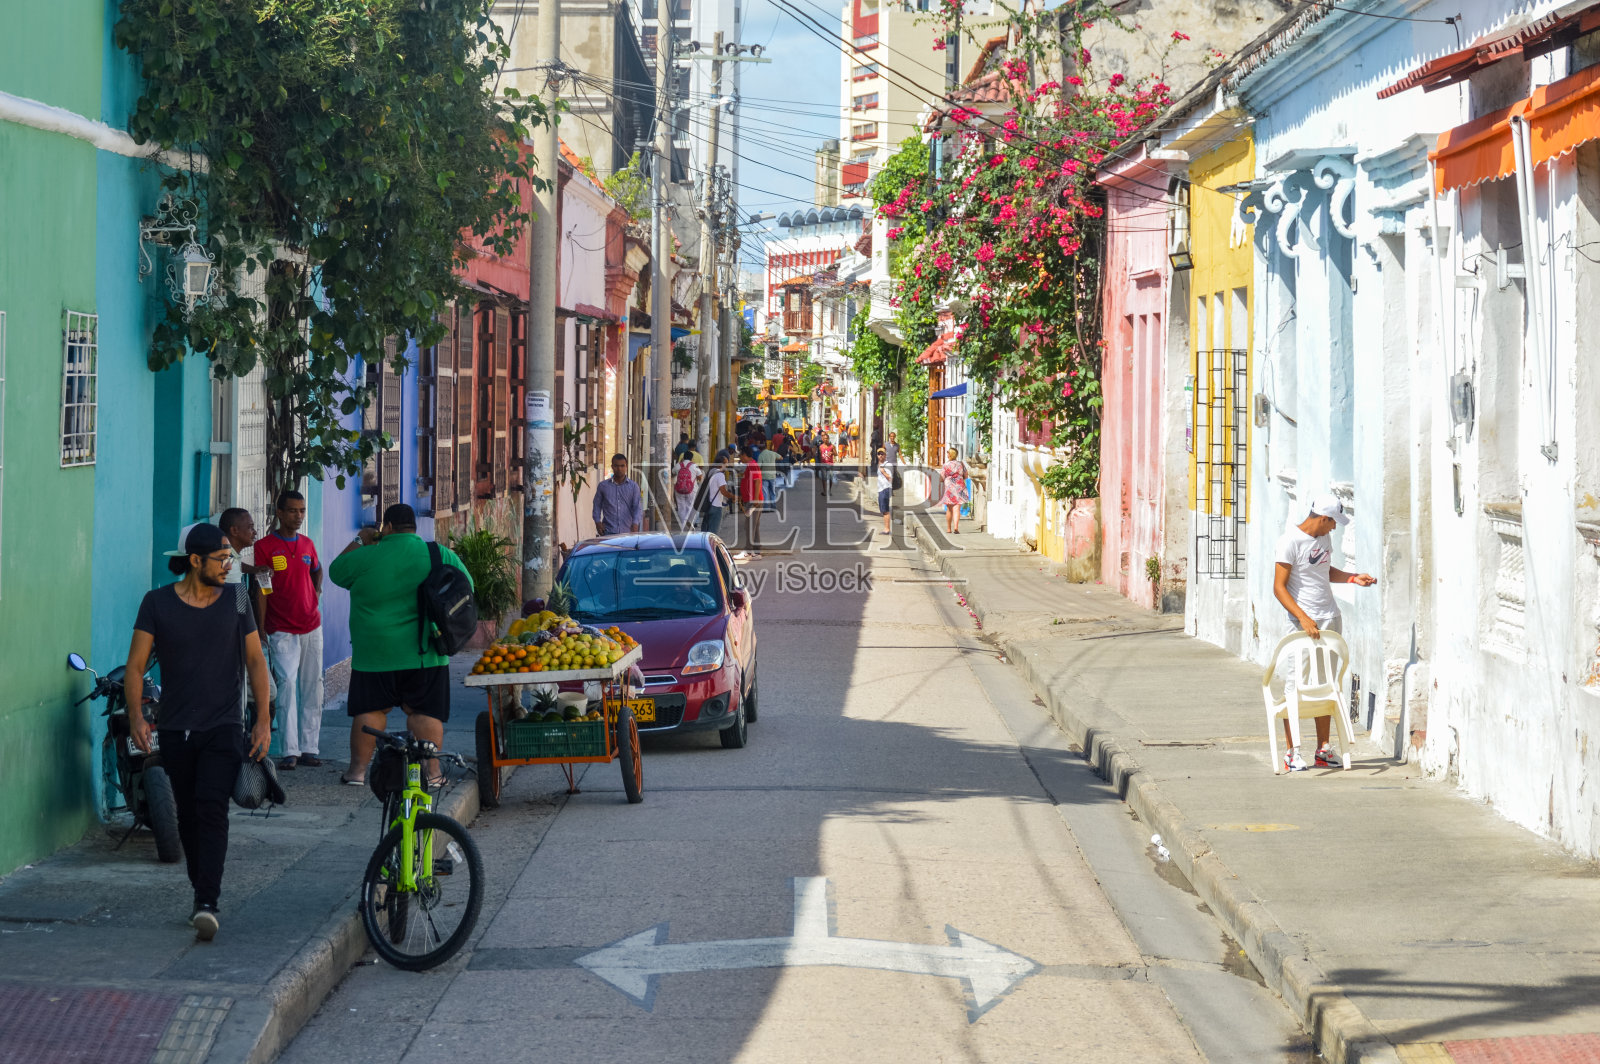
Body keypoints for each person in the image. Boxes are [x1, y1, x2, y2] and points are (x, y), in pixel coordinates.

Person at [125, 523, 273, 941]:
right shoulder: (156, 603)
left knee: (212, 809)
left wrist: (262, 718)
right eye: (222, 559)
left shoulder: (238, 597)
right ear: (195, 561)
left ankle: (208, 901)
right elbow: (135, 666)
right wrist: (136, 717)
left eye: (231, 559)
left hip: (224, 726)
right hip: (175, 729)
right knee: (188, 815)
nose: (229, 566)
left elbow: (255, 661)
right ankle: (200, 888)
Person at [329, 504, 473, 787]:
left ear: (388, 527)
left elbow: (335, 571)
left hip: (374, 653)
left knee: (370, 711)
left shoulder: (366, 556)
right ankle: (432, 775)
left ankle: (357, 773)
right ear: (414, 528)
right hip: (425, 651)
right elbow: (467, 587)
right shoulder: (438, 554)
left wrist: (360, 540)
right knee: (425, 713)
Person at [1273, 495, 1376, 771]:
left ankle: (1323, 749)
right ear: (1322, 518)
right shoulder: (1289, 541)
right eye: (1333, 522)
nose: (1335, 527)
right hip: (1302, 624)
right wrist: (1303, 618)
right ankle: (1292, 752)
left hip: (1330, 618)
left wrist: (1352, 577)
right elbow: (1279, 587)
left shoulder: (1324, 539)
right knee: (1296, 684)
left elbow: (1323, 571)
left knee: (1327, 684)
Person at [256, 491, 324, 771]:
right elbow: (262, 589)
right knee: (286, 685)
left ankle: (310, 747)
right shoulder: (264, 546)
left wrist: (316, 592)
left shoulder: (307, 544)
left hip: (311, 626)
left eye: (302, 511)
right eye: (293, 511)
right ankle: (289, 750)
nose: (299, 516)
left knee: (313, 686)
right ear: (280, 513)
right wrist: (261, 627)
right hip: (281, 628)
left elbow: (317, 569)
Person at [593, 453, 643, 535]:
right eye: (616, 466)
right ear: (612, 466)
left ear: (626, 467)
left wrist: (635, 523)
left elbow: (637, 507)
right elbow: (597, 505)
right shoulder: (603, 486)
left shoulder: (634, 487)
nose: (619, 469)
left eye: (622, 466)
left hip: (628, 532)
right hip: (608, 532)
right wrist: (597, 522)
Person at [940, 446, 969, 535]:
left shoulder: (945, 465)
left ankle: (949, 528)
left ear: (950, 454)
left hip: (949, 487)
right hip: (959, 485)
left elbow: (941, 478)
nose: (947, 454)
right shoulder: (961, 464)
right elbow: (966, 476)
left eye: (948, 453)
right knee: (957, 508)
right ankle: (956, 527)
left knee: (949, 509)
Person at [740, 446, 764, 553]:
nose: (740, 458)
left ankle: (749, 549)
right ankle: (757, 547)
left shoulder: (752, 465)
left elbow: (757, 481)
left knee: (749, 525)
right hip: (752, 499)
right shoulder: (751, 465)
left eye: (740, 456)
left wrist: (756, 499)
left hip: (753, 500)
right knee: (754, 525)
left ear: (745, 455)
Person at [702, 457, 732, 537]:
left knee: (706, 532)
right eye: (725, 463)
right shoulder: (720, 475)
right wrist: (733, 496)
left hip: (709, 505)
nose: (727, 465)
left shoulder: (711, 472)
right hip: (716, 506)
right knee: (713, 533)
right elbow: (723, 491)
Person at [673, 455, 698, 528]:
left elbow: (673, 472)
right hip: (691, 489)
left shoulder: (678, 465)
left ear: (683, 457)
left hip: (679, 489)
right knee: (690, 506)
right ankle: (689, 522)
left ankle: (683, 525)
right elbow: (700, 475)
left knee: (681, 507)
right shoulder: (694, 465)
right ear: (692, 458)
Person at [876, 448, 893, 536]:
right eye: (879, 454)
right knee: (883, 510)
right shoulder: (880, 465)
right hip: (881, 489)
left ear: (885, 455)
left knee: (885, 510)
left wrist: (883, 472)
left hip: (885, 489)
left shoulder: (888, 465)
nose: (880, 456)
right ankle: (886, 528)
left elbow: (890, 478)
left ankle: (887, 529)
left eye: (882, 454)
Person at [758, 440, 780, 506]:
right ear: (766, 447)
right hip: (772, 476)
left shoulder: (761, 455)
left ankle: (766, 507)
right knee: (772, 492)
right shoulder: (773, 453)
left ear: (760, 449)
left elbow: (758, 467)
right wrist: (774, 459)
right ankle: (773, 506)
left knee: (765, 493)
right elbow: (781, 457)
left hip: (764, 476)